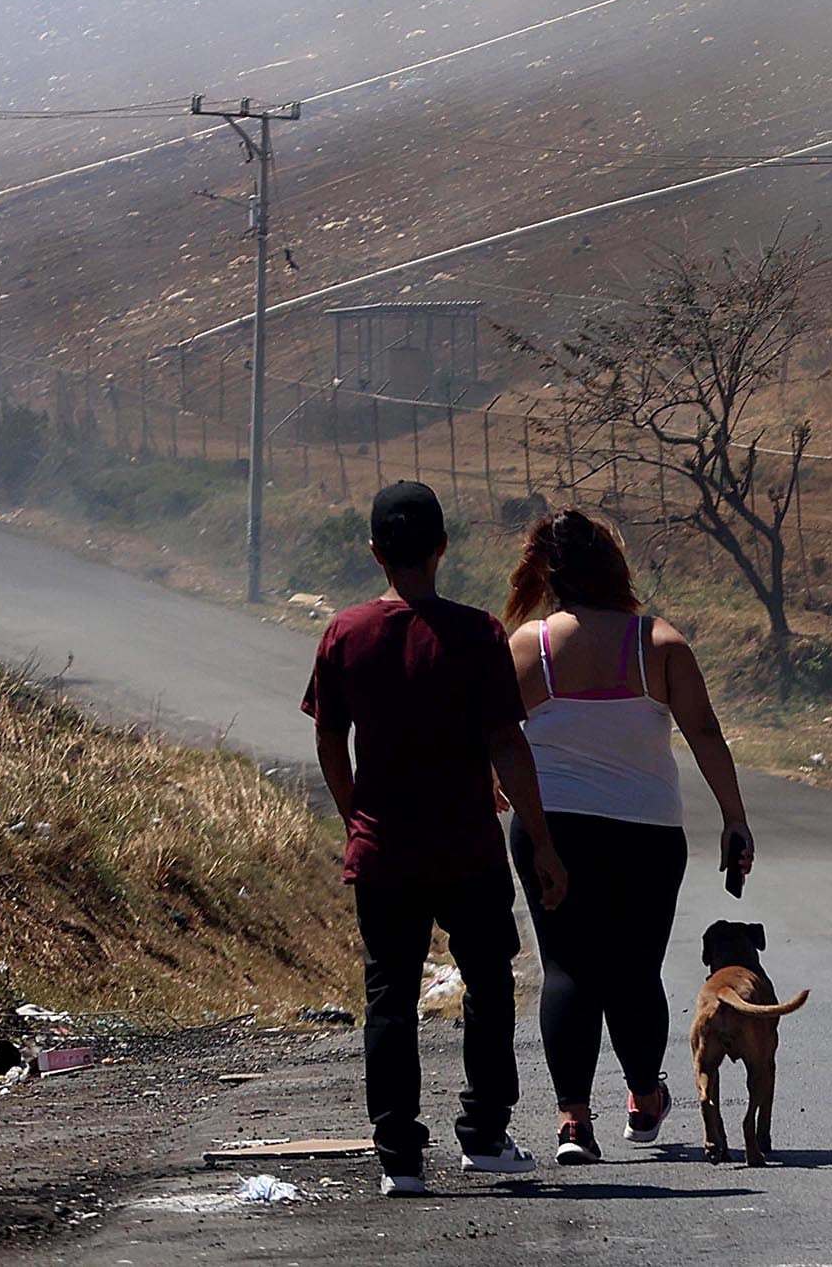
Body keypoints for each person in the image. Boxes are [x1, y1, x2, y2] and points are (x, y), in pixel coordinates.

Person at [302, 479, 564, 1198]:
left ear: (376, 552)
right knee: (488, 984)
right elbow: (507, 744)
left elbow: (329, 736)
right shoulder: (476, 633)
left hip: (384, 849)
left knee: (389, 996)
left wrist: (355, 811)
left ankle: (400, 1158)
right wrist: (540, 839)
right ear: (442, 548)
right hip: (469, 848)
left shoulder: (346, 634)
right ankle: (484, 1133)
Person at [504, 510, 757, 1165]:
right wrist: (734, 815)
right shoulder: (660, 643)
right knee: (634, 968)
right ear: (616, 568)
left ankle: (572, 1123)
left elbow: (495, 736)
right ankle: (644, 1100)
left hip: (551, 826)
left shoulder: (528, 646)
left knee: (566, 967)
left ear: (550, 573)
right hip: (645, 831)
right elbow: (704, 731)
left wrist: (495, 789)